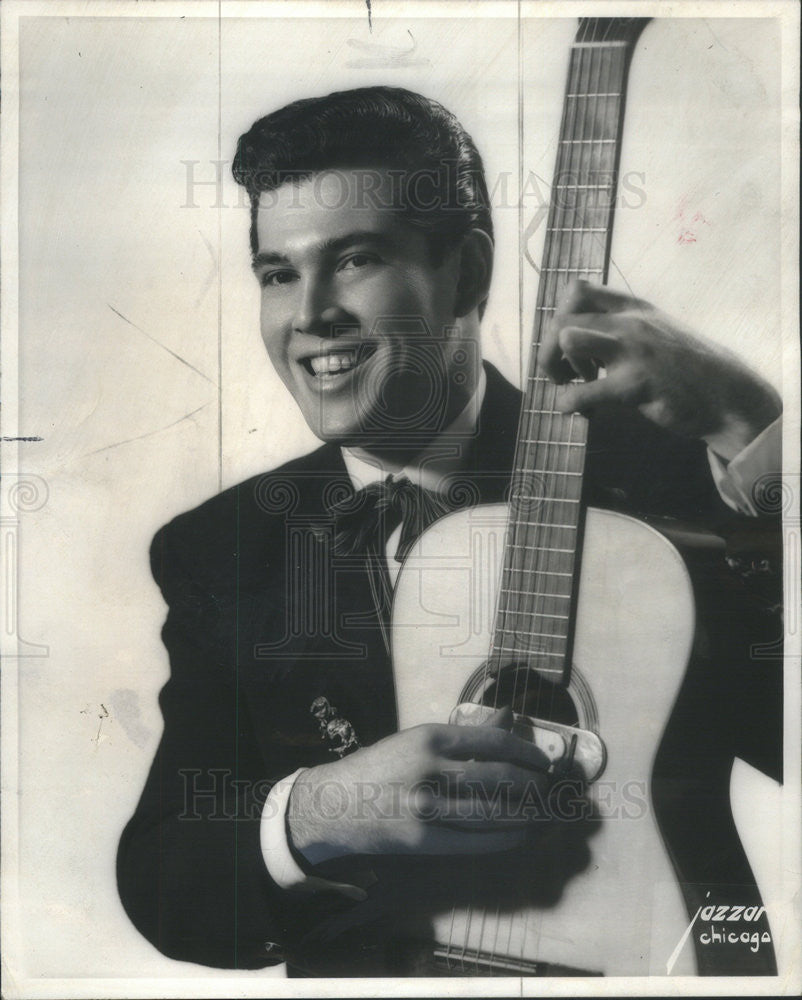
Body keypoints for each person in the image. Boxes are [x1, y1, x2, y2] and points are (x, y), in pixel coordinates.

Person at [117, 86, 783, 976]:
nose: (309, 312)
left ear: (467, 272)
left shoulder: (667, 471)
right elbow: (166, 880)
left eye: (354, 260)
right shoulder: (221, 549)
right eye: (278, 272)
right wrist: (321, 812)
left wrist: (757, 436)